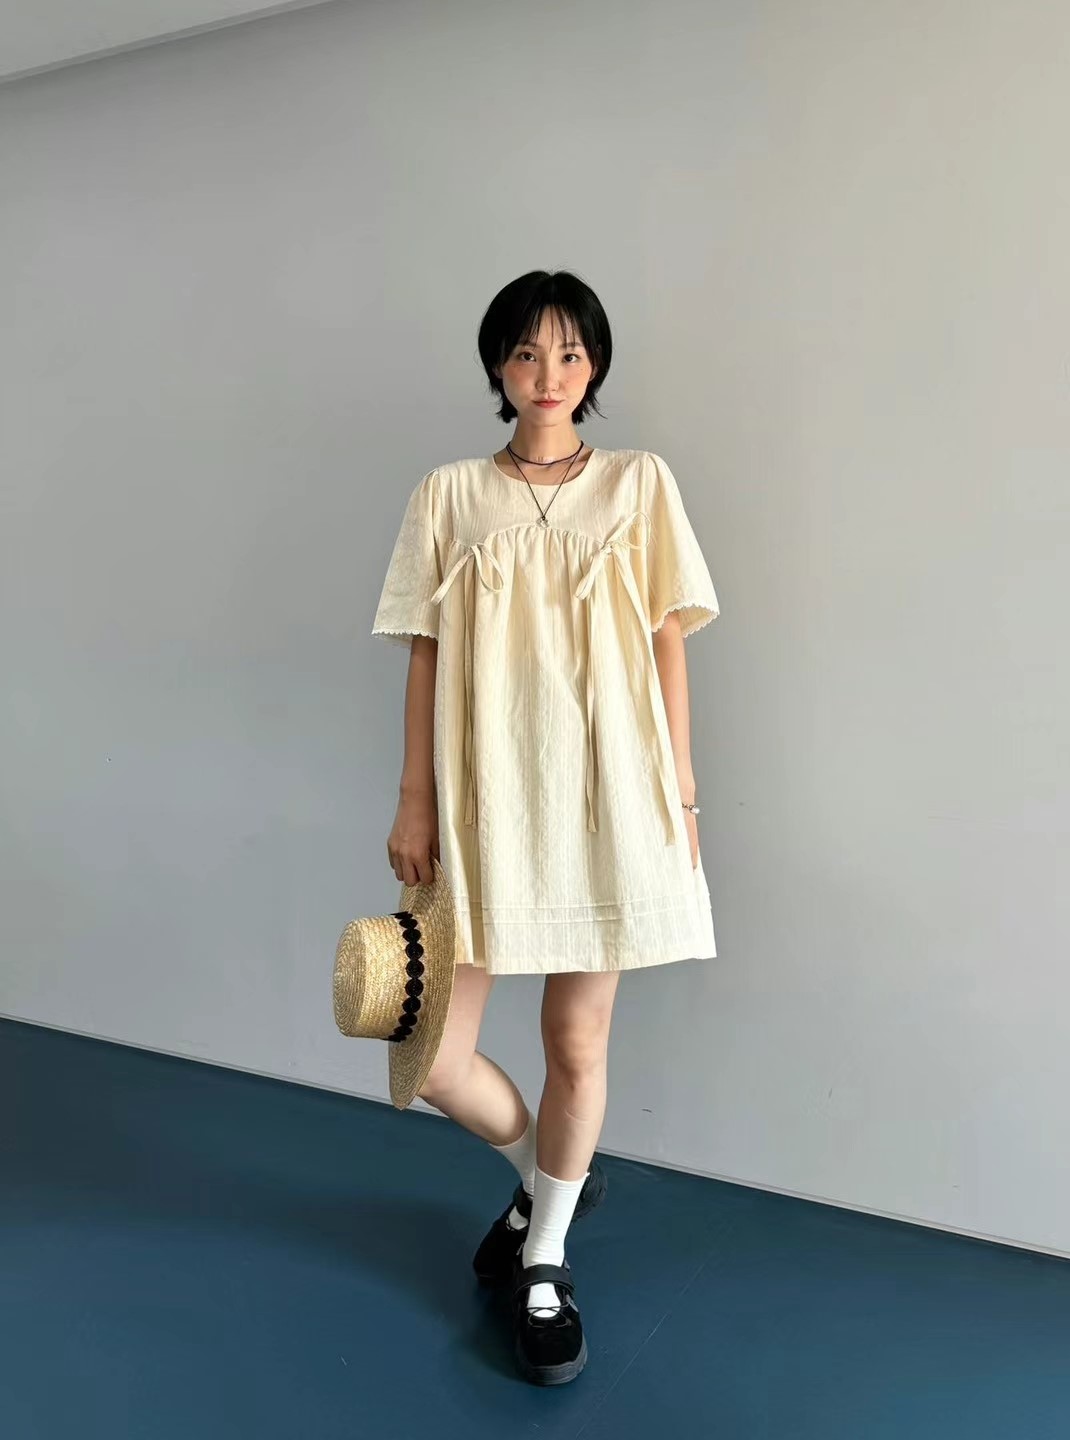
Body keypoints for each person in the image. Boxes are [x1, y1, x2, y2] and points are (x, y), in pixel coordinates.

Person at [371, 269, 720, 1386]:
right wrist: (415, 797)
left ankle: (547, 1259)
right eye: (527, 353)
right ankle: (545, 1177)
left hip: (608, 794)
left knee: (578, 1043)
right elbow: (424, 653)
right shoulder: (447, 494)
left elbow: (667, 641)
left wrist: (680, 791)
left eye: (570, 353)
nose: (549, 374)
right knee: (435, 1054)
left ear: (595, 365)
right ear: (498, 365)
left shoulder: (639, 483)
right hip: (487, 799)